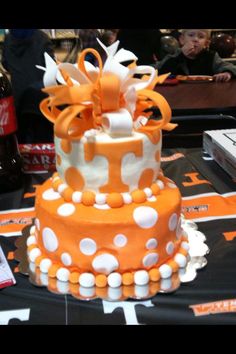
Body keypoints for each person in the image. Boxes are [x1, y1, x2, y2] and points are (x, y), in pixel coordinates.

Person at [1, 29, 55, 143]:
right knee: (42, 142)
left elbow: (5, 63)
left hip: (18, 100)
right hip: (40, 100)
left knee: (22, 142)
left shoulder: (8, 39)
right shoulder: (42, 38)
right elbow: (51, 69)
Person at [156, 29, 236, 82]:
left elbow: (230, 67)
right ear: (182, 40)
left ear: (206, 43)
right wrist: (180, 56)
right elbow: (159, 71)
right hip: (178, 95)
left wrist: (227, 73)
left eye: (201, 37)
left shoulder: (211, 56)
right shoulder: (174, 55)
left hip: (206, 94)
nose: (195, 39)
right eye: (191, 35)